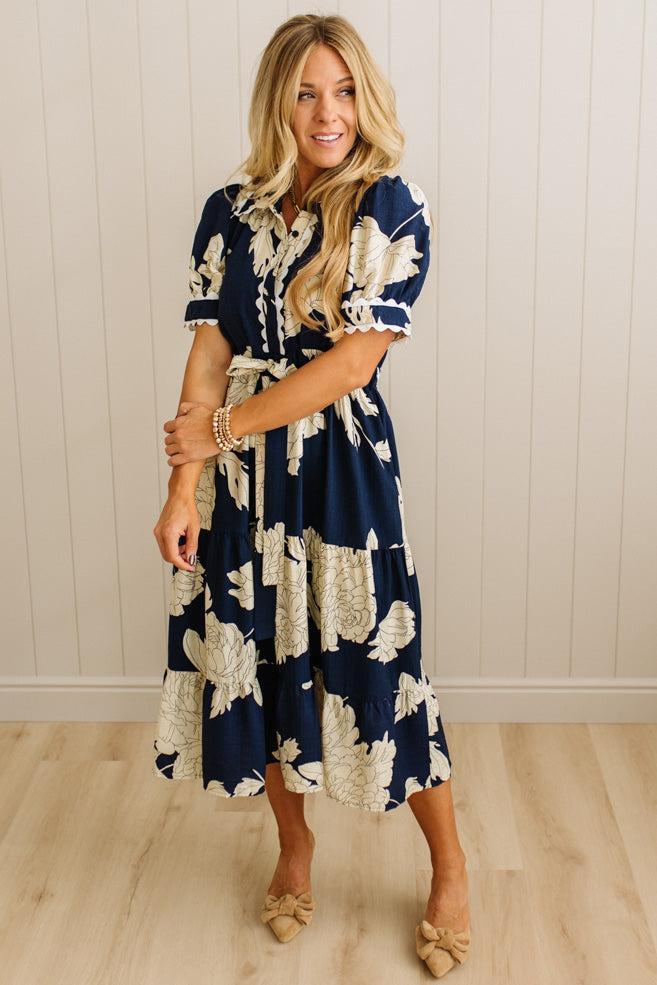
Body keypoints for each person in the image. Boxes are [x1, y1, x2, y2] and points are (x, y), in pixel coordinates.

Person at [152, 12, 470, 977]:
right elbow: (208, 355)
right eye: (304, 93)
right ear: (276, 104)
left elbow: (349, 365)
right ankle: (293, 849)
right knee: (256, 663)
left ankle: (450, 866)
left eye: (342, 91)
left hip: (340, 475)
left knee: (379, 668)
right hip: (238, 481)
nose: (326, 112)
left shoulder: (387, 206)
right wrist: (182, 488)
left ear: (363, 99)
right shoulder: (229, 210)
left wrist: (219, 430)